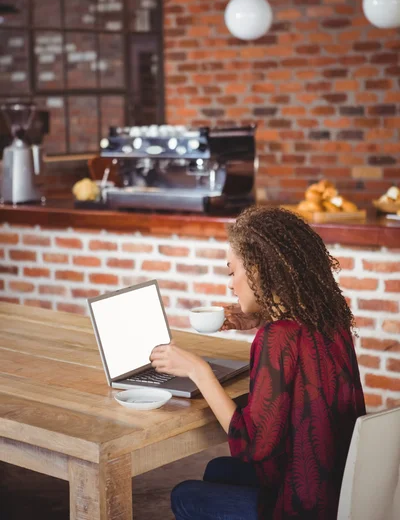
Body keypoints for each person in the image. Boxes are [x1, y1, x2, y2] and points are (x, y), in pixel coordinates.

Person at [150, 206, 366, 519]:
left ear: (259, 271)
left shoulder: (276, 338)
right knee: (216, 469)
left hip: (303, 508)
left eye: (231, 272)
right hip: (336, 487)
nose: (229, 284)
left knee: (185, 495)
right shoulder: (328, 317)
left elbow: (251, 446)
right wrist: (255, 316)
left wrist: (198, 371)